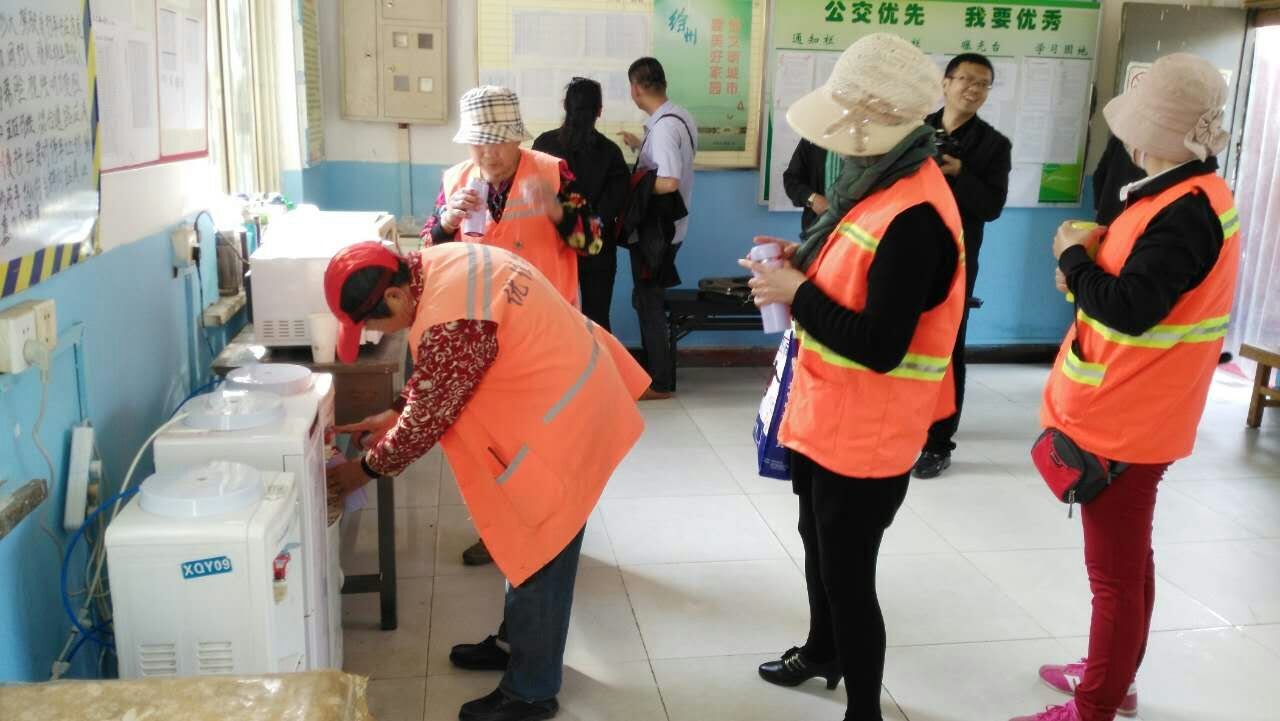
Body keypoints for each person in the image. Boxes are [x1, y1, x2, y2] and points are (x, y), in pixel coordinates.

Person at [324, 241, 650, 721]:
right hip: (568, 387)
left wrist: (361, 472)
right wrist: (394, 411)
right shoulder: (439, 265)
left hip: (566, 419)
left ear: (394, 296)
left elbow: (427, 418)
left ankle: (531, 692)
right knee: (522, 547)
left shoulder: (449, 318)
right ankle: (515, 645)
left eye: (372, 324)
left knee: (541, 551)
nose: (375, 333)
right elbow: (444, 371)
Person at [740, 35, 965, 721]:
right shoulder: (877, 186)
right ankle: (822, 651)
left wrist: (798, 291)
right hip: (825, 410)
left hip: (869, 431)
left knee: (848, 575)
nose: (838, 146)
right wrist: (800, 261)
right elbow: (853, 271)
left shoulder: (917, 216)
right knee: (816, 543)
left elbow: (881, 345)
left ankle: (864, 708)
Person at [1011, 53, 1238, 721]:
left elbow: (1131, 308)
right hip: (1138, 406)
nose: (1129, 141)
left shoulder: (1184, 210)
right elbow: (1136, 290)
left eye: (1138, 128)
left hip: (1128, 417)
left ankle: (1097, 704)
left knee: (1113, 577)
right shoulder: (1180, 194)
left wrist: (1071, 258)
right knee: (1130, 564)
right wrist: (1087, 268)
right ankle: (1114, 677)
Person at [423, 84, 605, 567]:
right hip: (482, 339)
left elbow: (593, 243)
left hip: (548, 336)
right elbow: (429, 253)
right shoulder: (457, 180)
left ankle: (555, 533)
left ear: (517, 138)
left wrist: (557, 210)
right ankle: (500, 533)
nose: (489, 154)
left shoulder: (552, 172)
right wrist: (445, 222)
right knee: (492, 445)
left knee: (548, 442)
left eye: (498, 142)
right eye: (479, 143)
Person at [912, 52, 1012, 480]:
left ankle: (938, 443)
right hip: (904, 250)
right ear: (946, 82)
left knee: (948, 348)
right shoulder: (913, 130)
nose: (973, 89)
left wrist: (960, 173)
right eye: (966, 79)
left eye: (983, 83)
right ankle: (902, 425)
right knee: (899, 336)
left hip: (956, 258)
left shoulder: (994, 145)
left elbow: (991, 207)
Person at [618, 56, 696, 400]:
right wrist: (641, 147)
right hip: (672, 228)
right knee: (646, 298)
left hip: (657, 233)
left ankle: (660, 382)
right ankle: (654, 371)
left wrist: (631, 184)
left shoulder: (663, 129)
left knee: (648, 302)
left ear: (636, 88)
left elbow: (668, 181)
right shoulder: (679, 117)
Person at [533, 77, 630, 331]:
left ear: (565, 106)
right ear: (599, 111)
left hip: (552, 247)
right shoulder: (611, 153)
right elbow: (614, 206)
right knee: (597, 321)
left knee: (552, 321)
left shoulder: (543, 146)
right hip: (597, 249)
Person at [782, 138, 841, 233]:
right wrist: (812, 199)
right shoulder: (812, 138)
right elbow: (791, 180)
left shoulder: (864, 140)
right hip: (817, 228)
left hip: (858, 227)